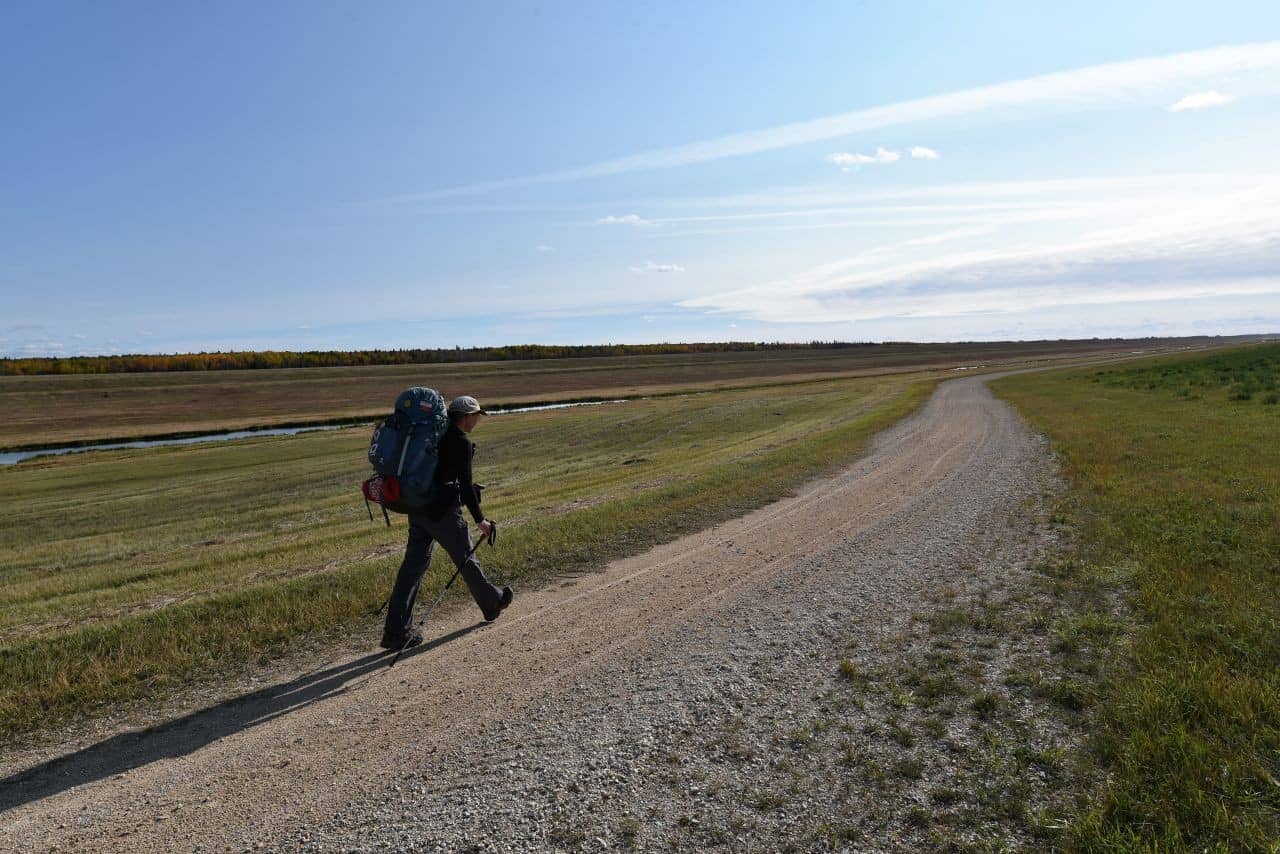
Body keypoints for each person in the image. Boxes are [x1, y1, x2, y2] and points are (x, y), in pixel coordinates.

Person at [381, 394, 513, 650]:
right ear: (465, 417)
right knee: (466, 558)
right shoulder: (461, 442)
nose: (477, 420)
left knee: (412, 567)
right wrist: (480, 520)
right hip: (443, 513)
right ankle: (492, 603)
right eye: (476, 415)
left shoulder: (434, 435)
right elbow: (463, 486)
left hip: (417, 507)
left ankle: (395, 630)